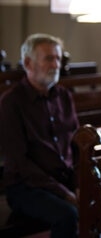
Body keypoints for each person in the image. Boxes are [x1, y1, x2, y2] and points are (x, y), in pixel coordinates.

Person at [0, 34, 78, 237]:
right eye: (49, 59)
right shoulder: (11, 102)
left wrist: (81, 183)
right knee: (68, 215)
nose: (56, 65)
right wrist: (64, 193)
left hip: (65, 180)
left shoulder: (63, 96)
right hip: (26, 186)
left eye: (58, 58)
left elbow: (76, 146)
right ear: (28, 63)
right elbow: (19, 163)